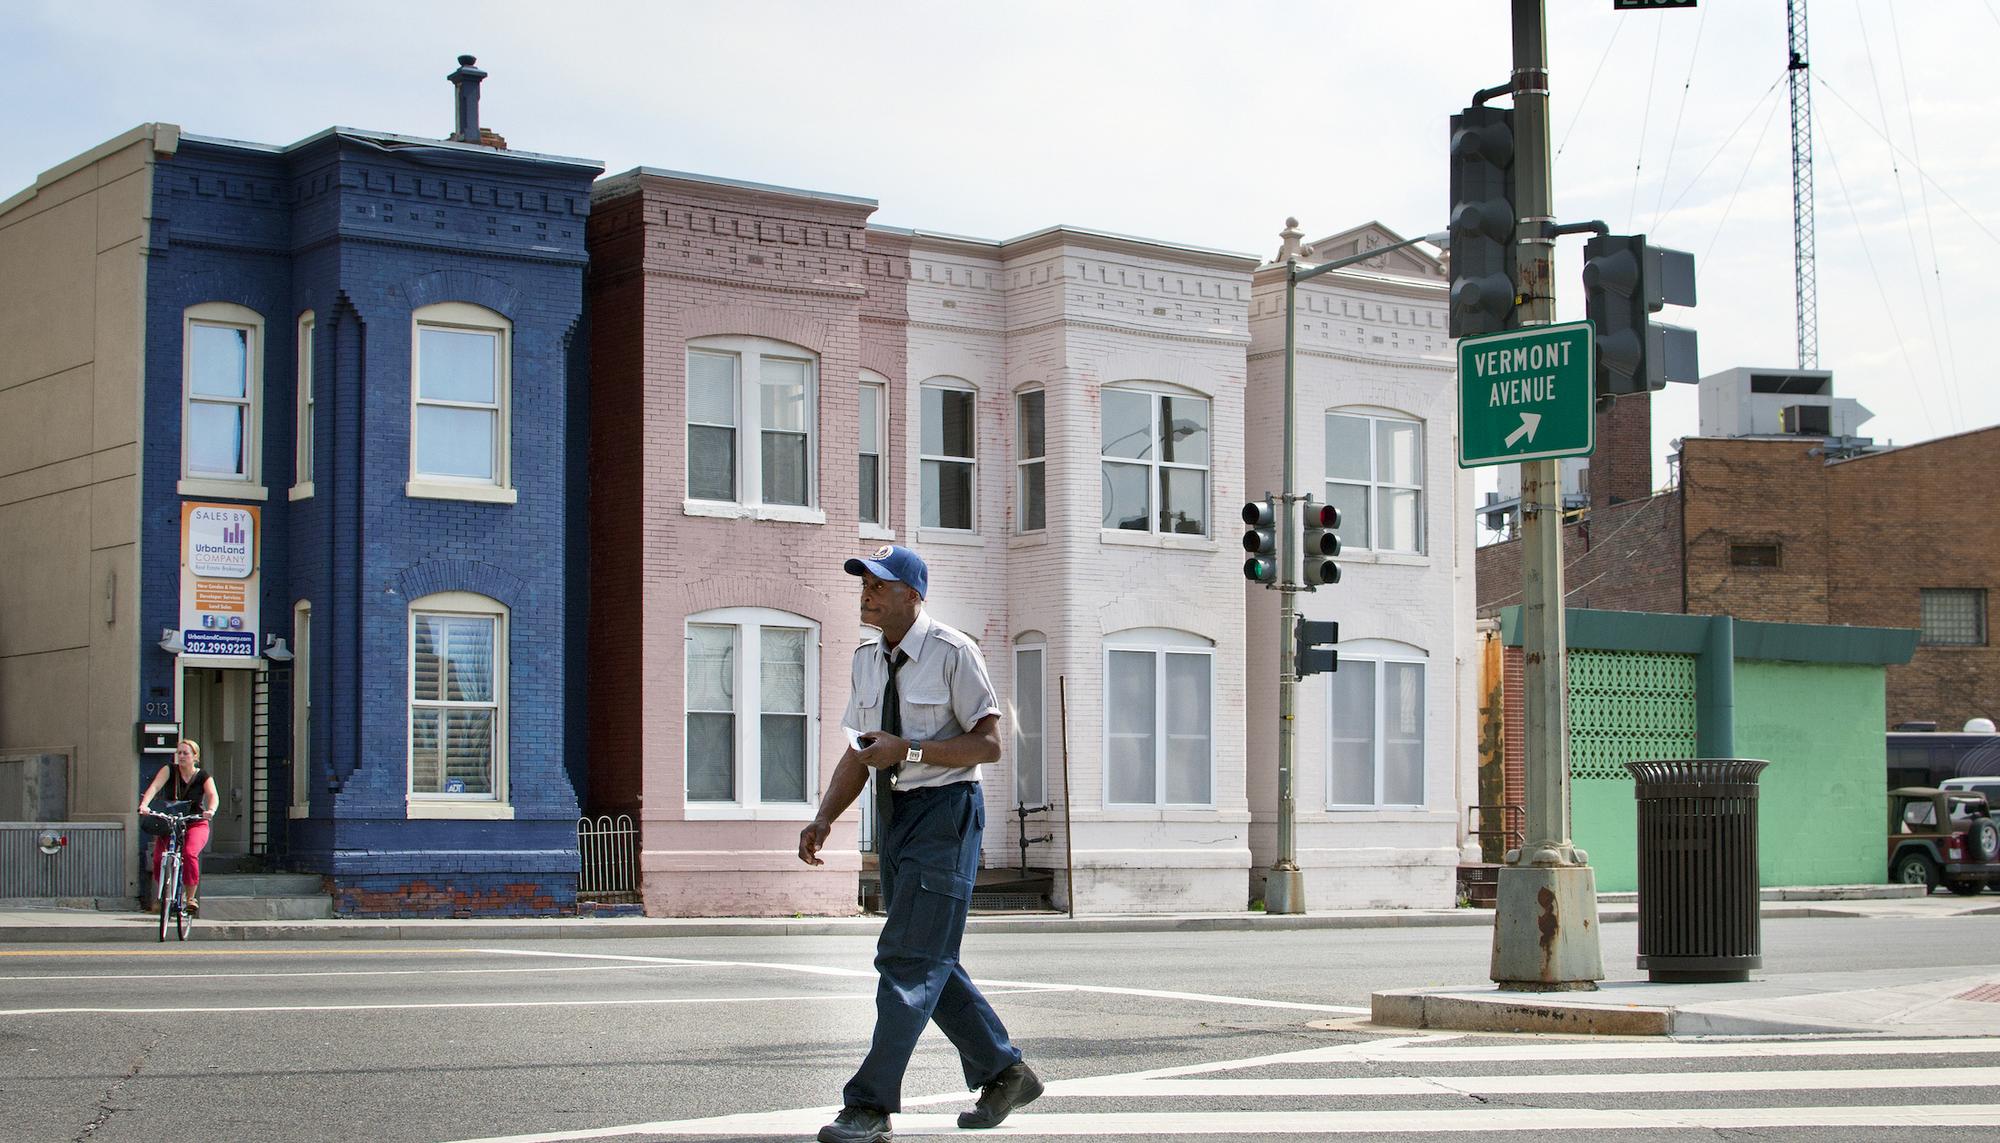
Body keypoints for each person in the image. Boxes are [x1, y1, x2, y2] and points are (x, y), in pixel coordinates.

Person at [799, 545, 1043, 1143]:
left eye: (880, 584)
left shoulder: (955, 653)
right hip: (898, 816)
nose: (867, 592)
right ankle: (1005, 1071)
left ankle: (870, 1106)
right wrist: (825, 817)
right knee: (927, 956)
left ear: (913, 594)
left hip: (946, 814)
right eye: (863, 582)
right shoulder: (866, 661)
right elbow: (861, 751)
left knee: (907, 961)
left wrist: (907, 750)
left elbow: (988, 745)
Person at [138, 739, 219, 913]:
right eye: (179, 752)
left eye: (185, 753)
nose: (181, 756)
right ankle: (163, 896)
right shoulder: (169, 770)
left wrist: (211, 810)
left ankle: (190, 897)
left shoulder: (203, 776)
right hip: (171, 821)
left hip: (195, 822)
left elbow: (213, 795)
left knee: (189, 854)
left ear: (194, 757)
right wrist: (144, 804)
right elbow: (155, 787)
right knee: (159, 858)